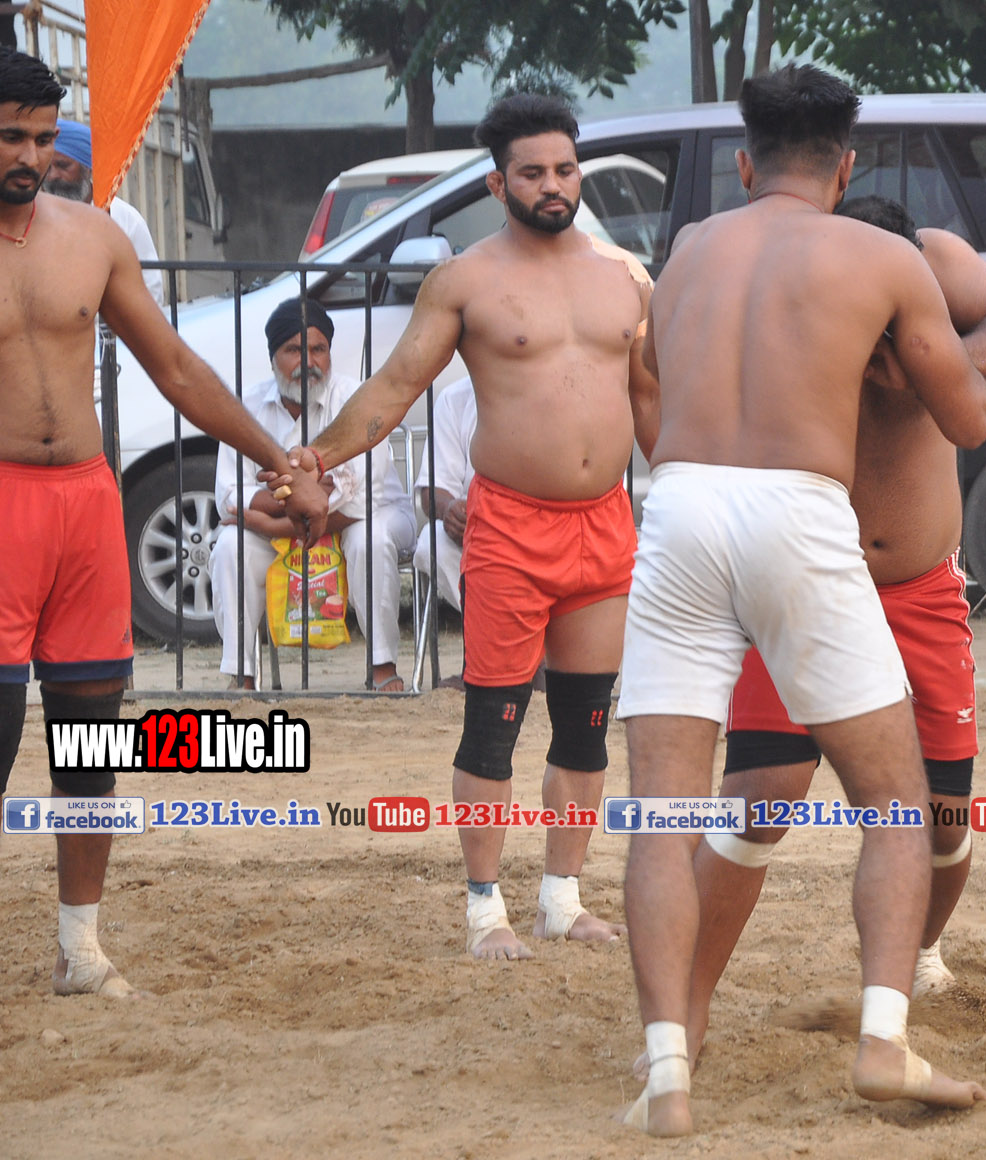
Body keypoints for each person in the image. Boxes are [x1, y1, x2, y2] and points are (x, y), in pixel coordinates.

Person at [615, 65, 986, 1137]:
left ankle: (667, 1074)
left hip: (680, 505)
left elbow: (657, 373)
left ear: (744, 164)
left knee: (663, 817)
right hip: (797, 509)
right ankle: (883, 1041)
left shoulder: (689, 250)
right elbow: (969, 419)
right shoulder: (881, 255)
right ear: (847, 166)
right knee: (895, 805)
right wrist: (934, 366)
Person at [663, 197, 986, 1074]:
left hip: (918, 587)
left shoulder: (930, 262)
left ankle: (917, 951)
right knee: (759, 797)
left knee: (941, 821)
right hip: (802, 576)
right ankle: (684, 1010)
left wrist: (923, 362)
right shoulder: (774, 279)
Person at [280, 93, 654, 960]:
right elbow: (393, 386)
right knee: (494, 723)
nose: (553, 185)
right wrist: (317, 457)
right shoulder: (466, 280)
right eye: (533, 172)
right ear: (497, 183)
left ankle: (561, 898)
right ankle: (485, 909)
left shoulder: (626, 277)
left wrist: (694, 484)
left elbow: (651, 398)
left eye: (565, 169)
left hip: (605, 524)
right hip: (511, 528)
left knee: (586, 723)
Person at [0, 50, 329, 997]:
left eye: (41, 138)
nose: (31, 157)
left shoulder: (93, 237)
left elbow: (177, 370)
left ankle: (79, 950)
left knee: (88, 741)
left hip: (85, 504)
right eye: (10, 138)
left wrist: (281, 463)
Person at [211, 299, 407, 692]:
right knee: (231, 545)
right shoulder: (248, 406)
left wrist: (274, 516)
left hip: (365, 517)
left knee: (369, 540)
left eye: (318, 349)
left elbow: (357, 492)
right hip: (285, 526)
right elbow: (230, 493)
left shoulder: (354, 398)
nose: (309, 362)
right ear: (273, 358)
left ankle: (382, 668)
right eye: (294, 350)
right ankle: (242, 676)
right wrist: (299, 497)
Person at [44, 119, 164, 305]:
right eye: (47, 167)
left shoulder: (126, 219)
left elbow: (151, 290)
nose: (52, 176)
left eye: (63, 166)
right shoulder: (31, 215)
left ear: (88, 168)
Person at [411, 376, 479, 618]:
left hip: (542, 527)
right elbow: (434, 489)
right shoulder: (455, 398)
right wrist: (450, 509)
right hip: (477, 532)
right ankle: (489, 622)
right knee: (432, 541)